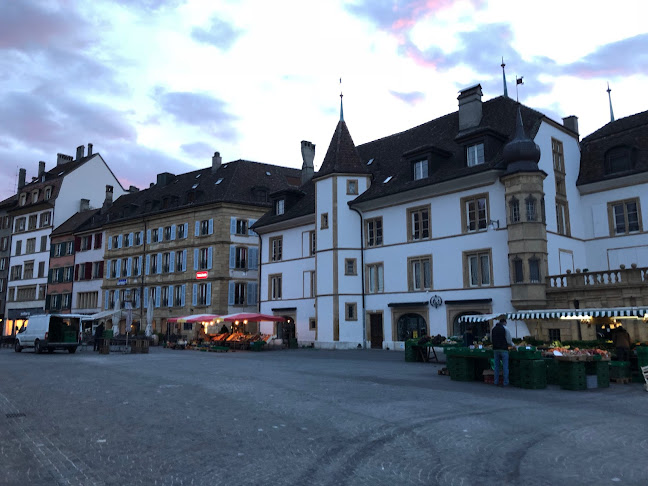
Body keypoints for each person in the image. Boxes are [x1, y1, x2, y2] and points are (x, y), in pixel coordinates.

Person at [491, 318, 513, 386]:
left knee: (496, 366)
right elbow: (509, 340)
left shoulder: (493, 329)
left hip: (495, 349)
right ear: (504, 322)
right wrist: (513, 345)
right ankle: (505, 382)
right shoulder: (505, 329)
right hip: (503, 349)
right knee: (505, 366)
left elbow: (491, 340)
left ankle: (496, 381)